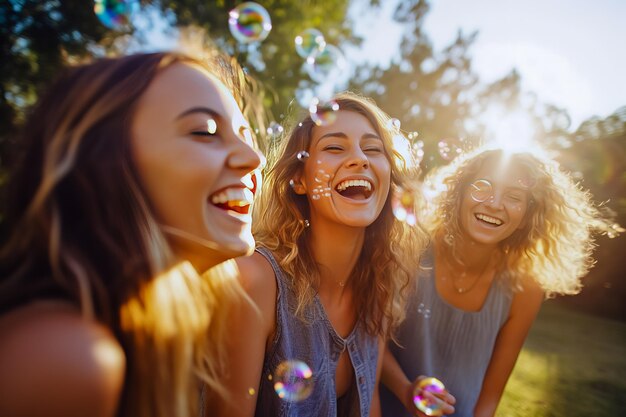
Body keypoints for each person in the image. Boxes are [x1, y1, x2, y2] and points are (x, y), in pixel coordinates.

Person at [0, 50, 264, 417]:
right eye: (204, 131)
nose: (254, 158)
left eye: (245, 134)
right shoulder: (67, 356)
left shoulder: (149, 332)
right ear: (104, 162)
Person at [204, 92, 452, 417]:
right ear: (299, 179)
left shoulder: (378, 286)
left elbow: (369, 404)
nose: (360, 159)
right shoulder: (255, 279)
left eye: (373, 149)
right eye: (335, 147)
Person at [380, 146, 622, 417]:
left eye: (513, 197)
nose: (494, 203)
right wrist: (405, 390)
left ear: (526, 218)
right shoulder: (411, 251)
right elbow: (371, 341)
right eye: (482, 187)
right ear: (457, 195)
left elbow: (489, 398)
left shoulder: (525, 288)